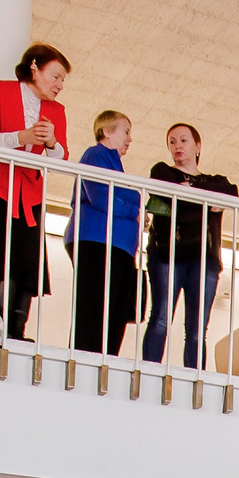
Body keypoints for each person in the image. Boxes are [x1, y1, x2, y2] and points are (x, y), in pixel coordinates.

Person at [0, 44, 71, 341]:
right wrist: (21, 137)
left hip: (29, 192)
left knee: (28, 260)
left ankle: (16, 329)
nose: (60, 85)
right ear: (34, 68)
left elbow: (60, 159)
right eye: (56, 76)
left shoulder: (57, 111)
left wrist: (52, 143)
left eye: (63, 80)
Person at [141, 123, 239, 370]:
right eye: (172, 142)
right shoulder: (163, 171)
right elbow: (170, 195)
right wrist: (206, 203)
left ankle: (194, 378)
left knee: (197, 328)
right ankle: (150, 371)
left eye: (183, 140)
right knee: (160, 317)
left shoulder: (215, 181)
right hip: (167, 253)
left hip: (203, 259)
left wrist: (191, 190)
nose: (177, 146)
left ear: (197, 146)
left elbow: (231, 192)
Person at [67, 110, 143, 356]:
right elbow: (101, 197)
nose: (130, 139)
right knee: (93, 307)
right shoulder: (96, 154)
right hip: (97, 241)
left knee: (115, 311)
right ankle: (84, 359)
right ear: (107, 131)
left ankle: (105, 362)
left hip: (118, 247)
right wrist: (134, 209)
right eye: (125, 131)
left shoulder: (115, 164)